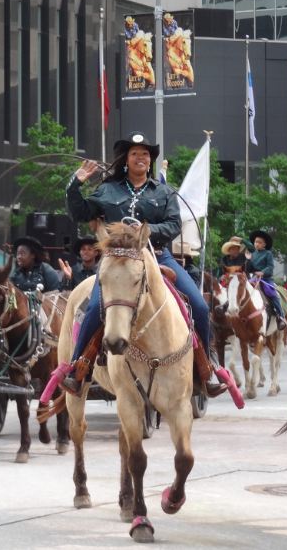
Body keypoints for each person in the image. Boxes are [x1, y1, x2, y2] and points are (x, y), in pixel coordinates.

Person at [62, 130, 228, 398]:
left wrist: (147, 230)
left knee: (198, 304)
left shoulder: (164, 192)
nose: (141, 157)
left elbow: (174, 224)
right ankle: (78, 368)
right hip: (117, 261)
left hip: (157, 256)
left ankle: (206, 367)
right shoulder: (107, 189)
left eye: (145, 154)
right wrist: (75, 184)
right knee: (93, 308)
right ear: (126, 159)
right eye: (135, 153)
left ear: (150, 161)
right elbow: (80, 212)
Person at [243, 230, 287, 330]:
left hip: (266, 279)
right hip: (254, 279)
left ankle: (280, 316)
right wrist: (248, 260)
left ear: (264, 244)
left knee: (271, 293)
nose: (257, 244)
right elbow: (249, 269)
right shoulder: (253, 254)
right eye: (256, 242)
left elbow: (270, 267)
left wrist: (262, 272)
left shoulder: (268, 254)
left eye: (259, 242)